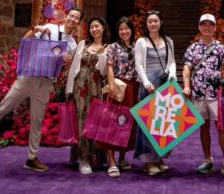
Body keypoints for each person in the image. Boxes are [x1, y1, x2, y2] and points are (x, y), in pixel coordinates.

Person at [0, 8, 84, 172]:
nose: (72, 19)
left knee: (37, 121)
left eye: (76, 18)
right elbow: (26, 39)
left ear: (79, 23)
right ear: (66, 16)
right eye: (71, 15)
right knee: (3, 108)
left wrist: (67, 63)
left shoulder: (73, 44)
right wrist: (36, 29)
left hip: (45, 82)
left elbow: (62, 68)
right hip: (29, 76)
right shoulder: (51, 28)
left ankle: (32, 159)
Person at [182, 14, 224, 178]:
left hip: (216, 93)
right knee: (204, 127)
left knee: (221, 127)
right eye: (204, 24)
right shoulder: (192, 48)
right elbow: (186, 69)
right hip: (198, 93)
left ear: (215, 28)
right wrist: (186, 86)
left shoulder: (220, 47)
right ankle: (207, 160)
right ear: (199, 27)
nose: (207, 27)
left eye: (210, 24)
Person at [134, 10, 176, 176]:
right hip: (148, 87)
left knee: (162, 124)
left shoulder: (168, 41)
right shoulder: (141, 42)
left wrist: (172, 75)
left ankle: (159, 158)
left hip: (164, 86)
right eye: (150, 21)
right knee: (147, 125)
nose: (153, 23)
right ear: (146, 24)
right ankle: (148, 162)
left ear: (160, 23)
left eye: (155, 21)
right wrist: (146, 83)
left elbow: (171, 62)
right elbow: (138, 65)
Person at [66, 16, 110, 175]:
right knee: (81, 121)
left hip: (95, 88)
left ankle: (95, 158)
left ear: (103, 28)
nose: (94, 29)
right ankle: (83, 159)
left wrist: (102, 54)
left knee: (95, 121)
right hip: (79, 87)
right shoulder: (83, 44)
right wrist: (69, 90)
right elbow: (74, 68)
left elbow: (103, 72)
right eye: (92, 27)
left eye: (97, 26)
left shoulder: (107, 47)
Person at [103, 17, 139, 178]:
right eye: (121, 29)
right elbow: (109, 67)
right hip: (117, 85)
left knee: (127, 122)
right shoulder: (113, 47)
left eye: (127, 28)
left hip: (132, 87)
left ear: (132, 30)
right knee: (112, 122)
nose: (124, 31)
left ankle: (122, 158)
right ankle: (111, 161)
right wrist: (111, 86)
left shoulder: (137, 47)